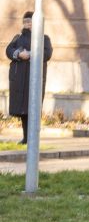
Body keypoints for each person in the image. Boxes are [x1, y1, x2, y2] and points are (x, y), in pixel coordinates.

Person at [6, 11, 52, 144]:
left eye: (30, 22)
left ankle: (33, 139)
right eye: (25, 22)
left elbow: (47, 53)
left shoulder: (44, 38)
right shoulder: (17, 38)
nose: (28, 24)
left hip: (34, 79)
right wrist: (18, 54)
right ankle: (26, 138)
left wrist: (31, 54)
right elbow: (8, 50)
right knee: (23, 110)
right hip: (19, 80)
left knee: (33, 108)